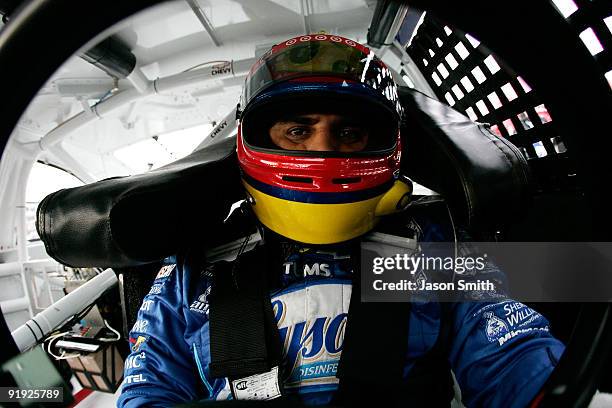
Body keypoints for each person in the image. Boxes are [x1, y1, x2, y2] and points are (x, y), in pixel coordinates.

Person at [117, 34, 564, 407]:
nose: (322, 151)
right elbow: (151, 384)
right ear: (254, 139)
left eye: (348, 133)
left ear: (386, 143)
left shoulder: (428, 241)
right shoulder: (201, 257)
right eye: (297, 131)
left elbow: (511, 350)